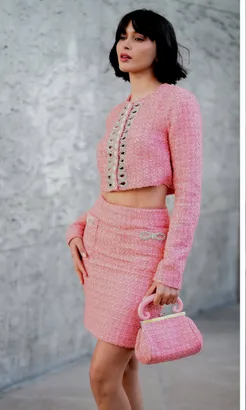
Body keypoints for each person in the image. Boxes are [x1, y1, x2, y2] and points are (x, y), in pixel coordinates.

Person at [66, 9, 202, 410]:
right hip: (102, 242)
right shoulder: (117, 111)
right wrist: (77, 226)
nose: (126, 44)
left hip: (143, 249)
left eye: (140, 37)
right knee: (126, 369)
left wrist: (171, 269)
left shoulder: (178, 103)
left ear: (161, 47)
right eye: (122, 36)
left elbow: (190, 193)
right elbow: (110, 189)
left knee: (101, 375)